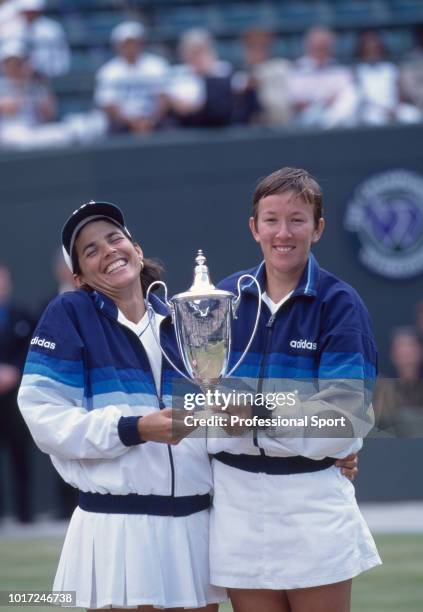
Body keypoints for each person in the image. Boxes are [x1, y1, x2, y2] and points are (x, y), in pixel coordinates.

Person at [18, 200, 225, 610]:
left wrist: (329, 456)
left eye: (114, 239)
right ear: (79, 276)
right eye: (90, 250)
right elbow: (44, 416)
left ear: (137, 249)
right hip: (118, 531)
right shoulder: (69, 313)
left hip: (195, 525)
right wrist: (134, 428)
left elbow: (216, 416)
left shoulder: (183, 322)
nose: (108, 251)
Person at [208, 167, 381, 612]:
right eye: (271, 219)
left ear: (318, 228)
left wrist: (261, 416)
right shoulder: (222, 299)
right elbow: (197, 407)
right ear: (254, 228)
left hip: (312, 506)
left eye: (297, 220)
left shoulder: (340, 304)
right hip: (236, 504)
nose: (283, 233)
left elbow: (345, 417)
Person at [0, 262, 34, 523]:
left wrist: (15, 372)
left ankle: (25, 516)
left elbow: (31, 351)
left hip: (16, 397)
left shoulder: (23, 315)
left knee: (20, 454)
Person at [94, 21, 169, 135]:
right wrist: (133, 123)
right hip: (122, 124)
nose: (131, 47)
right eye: (127, 43)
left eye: (134, 42)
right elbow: (108, 104)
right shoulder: (108, 71)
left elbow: (164, 98)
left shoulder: (157, 65)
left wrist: (151, 121)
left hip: (155, 121)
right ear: (118, 45)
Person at [290, 27, 357, 128]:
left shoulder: (340, 71)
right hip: (306, 119)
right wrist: (322, 101)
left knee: (351, 94)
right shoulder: (296, 70)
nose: (322, 53)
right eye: (318, 48)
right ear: (309, 47)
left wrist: (327, 102)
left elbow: (346, 97)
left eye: (325, 48)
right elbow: (298, 102)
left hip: (336, 118)